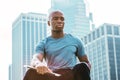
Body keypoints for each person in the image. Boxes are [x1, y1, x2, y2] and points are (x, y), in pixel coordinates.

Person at [23, 10, 91, 80]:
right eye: (55, 19)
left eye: (62, 19)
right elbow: (36, 58)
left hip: (70, 75)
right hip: (52, 76)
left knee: (82, 66)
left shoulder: (75, 41)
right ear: (49, 23)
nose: (59, 21)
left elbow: (86, 63)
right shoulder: (43, 43)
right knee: (30, 72)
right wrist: (38, 64)